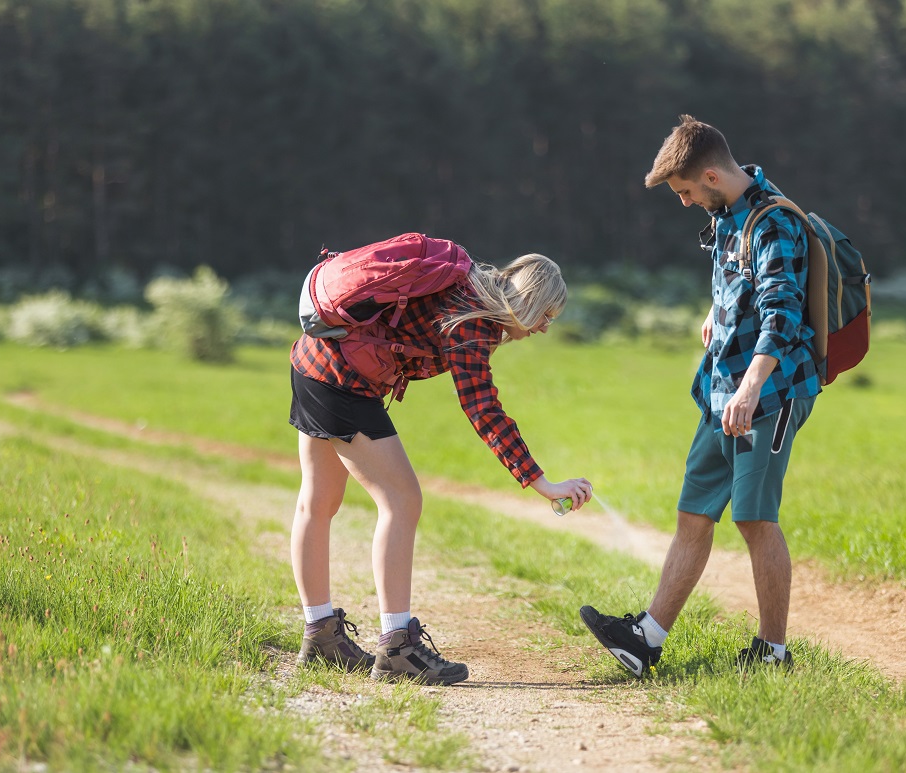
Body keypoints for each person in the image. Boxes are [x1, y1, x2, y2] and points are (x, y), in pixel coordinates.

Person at [580, 115, 822, 675]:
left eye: (686, 191)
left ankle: (773, 653)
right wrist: (713, 312)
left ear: (711, 175)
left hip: (769, 391)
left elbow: (783, 316)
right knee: (695, 510)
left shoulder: (772, 223)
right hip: (721, 390)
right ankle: (647, 641)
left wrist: (752, 384)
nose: (684, 202)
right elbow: (742, 287)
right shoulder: (726, 215)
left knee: (755, 519)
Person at [290, 249, 593, 685]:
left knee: (316, 503)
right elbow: (482, 408)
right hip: (343, 380)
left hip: (312, 359)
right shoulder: (474, 321)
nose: (545, 328)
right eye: (545, 315)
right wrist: (541, 482)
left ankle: (321, 635)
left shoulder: (463, 279)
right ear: (526, 301)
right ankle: (397, 646)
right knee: (402, 500)